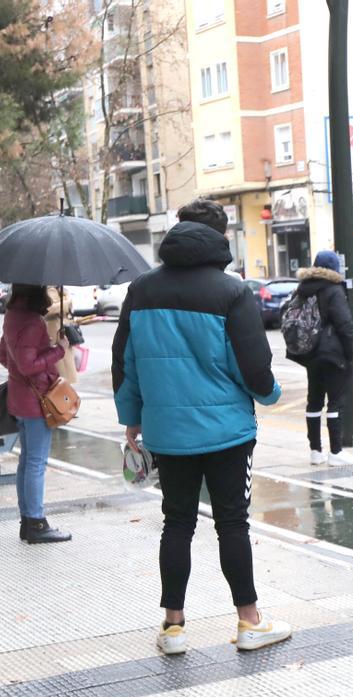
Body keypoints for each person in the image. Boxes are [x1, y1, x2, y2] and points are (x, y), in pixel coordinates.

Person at [113, 198, 291, 654]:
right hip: (227, 432)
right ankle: (249, 623)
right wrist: (271, 395)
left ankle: (173, 627)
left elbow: (126, 363)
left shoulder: (141, 290)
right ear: (221, 237)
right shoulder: (231, 292)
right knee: (232, 523)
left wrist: (131, 418)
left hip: (167, 433)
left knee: (177, 523)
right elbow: (253, 366)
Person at [0, 284, 72, 543]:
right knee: (35, 463)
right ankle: (36, 523)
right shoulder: (32, 322)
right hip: (36, 402)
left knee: (27, 461)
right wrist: (58, 349)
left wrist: (44, 350)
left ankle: (28, 521)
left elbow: (5, 358)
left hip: (19, 399)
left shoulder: (11, 317)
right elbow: (28, 365)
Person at [291, 250, 353, 466]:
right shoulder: (333, 289)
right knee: (336, 402)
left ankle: (315, 451)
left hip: (310, 353)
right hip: (332, 353)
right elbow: (345, 325)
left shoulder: (302, 289)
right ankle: (336, 452)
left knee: (314, 401)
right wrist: (350, 353)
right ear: (334, 269)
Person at [45, 287, 78, 384]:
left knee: (67, 365)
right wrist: (66, 303)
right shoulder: (49, 289)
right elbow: (49, 309)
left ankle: (66, 388)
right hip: (55, 331)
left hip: (64, 330)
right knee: (61, 367)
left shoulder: (63, 290)